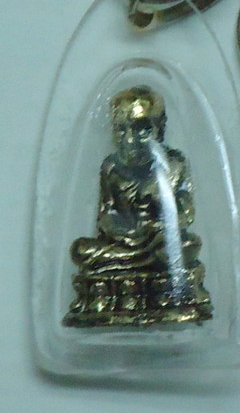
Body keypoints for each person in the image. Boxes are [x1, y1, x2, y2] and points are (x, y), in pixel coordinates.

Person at [63, 86, 212, 327]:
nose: (131, 140)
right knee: (80, 250)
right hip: (125, 243)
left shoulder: (175, 165)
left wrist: (160, 220)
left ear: (160, 127)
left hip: (159, 240)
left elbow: (186, 214)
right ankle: (136, 265)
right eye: (122, 130)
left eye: (142, 129)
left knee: (188, 245)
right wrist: (128, 233)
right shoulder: (111, 168)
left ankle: (143, 274)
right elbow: (106, 216)